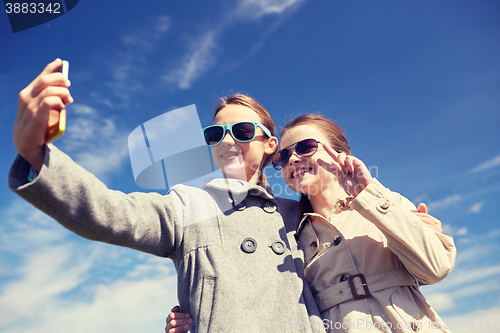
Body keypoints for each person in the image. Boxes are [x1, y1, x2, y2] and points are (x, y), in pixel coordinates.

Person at [9, 59, 326, 332]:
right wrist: (37, 153)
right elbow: (109, 211)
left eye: (242, 132)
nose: (227, 141)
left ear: (270, 144)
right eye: (215, 134)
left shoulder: (296, 213)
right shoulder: (189, 205)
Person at [166, 114, 455, 333]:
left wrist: (369, 194)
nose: (294, 158)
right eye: (285, 155)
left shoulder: (384, 205)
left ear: (341, 153)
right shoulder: (290, 236)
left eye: (305, 147)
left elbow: (436, 267)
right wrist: (196, 315)